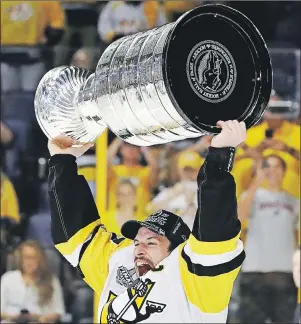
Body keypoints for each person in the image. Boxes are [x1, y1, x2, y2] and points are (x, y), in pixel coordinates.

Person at [47, 120, 246, 323]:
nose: (139, 250)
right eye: (137, 242)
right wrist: (62, 160)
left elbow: (215, 234)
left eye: (152, 242)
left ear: (176, 249)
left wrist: (219, 156)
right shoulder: (122, 264)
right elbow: (74, 235)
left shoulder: (194, 280)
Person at [238, 155, 299, 323]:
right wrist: (256, 182)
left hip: (285, 272)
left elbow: (295, 236)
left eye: (277, 166)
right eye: (267, 166)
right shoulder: (253, 195)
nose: (272, 170)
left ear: (284, 171)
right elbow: (239, 216)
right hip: (254, 270)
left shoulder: (294, 202)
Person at [0, 240, 65, 323]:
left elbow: (58, 311)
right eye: (26, 257)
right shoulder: (8, 278)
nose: (29, 262)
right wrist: (15, 317)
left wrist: (41, 318)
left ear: (41, 260)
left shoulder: (52, 280)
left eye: (33, 258)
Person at [148, 150, 203, 229]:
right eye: (186, 170)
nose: (189, 173)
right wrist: (174, 193)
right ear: (179, 170)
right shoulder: (171, 191)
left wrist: (191, 204)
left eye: (193, 169)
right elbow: (151, 210)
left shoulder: (205, 192)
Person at [107, 137, 158, 214]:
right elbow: (105, 160)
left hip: (139, 219)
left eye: (135, 146)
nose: (131, 149)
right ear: (121, 149)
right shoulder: (114, 170)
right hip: (115, 219)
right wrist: (120, 137)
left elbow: (154, 166)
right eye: (127, 146)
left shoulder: (144, 172)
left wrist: (143, 144)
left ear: (140, 151)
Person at [97, 0, 167, 44]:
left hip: (145, 44)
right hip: (119, 44)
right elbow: (103, 29)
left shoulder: (152, 5)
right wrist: (114, 37)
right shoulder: (113, 5)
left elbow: (163, 29)